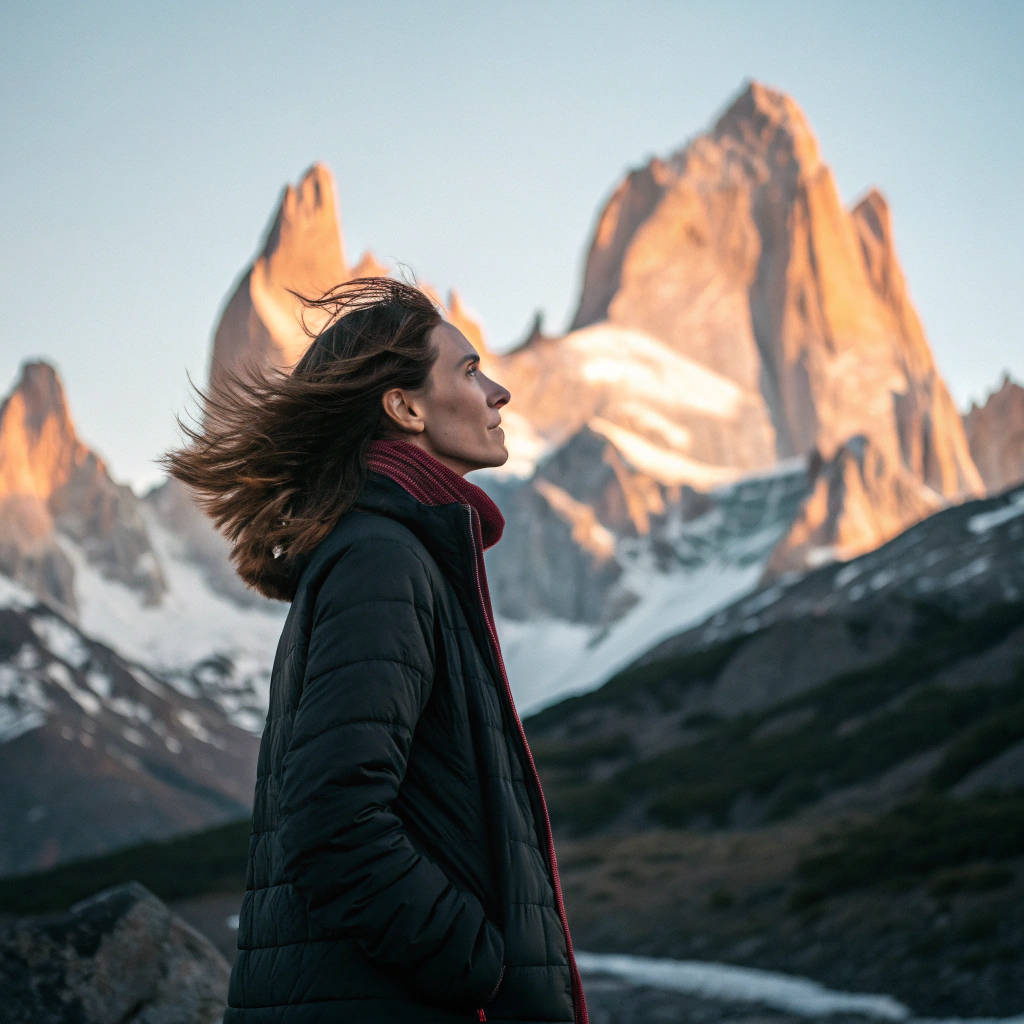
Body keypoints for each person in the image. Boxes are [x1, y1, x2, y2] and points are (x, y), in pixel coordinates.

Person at [163, 277, 588, 1024]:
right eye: (469, 371)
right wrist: (477, 967)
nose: (498, 393)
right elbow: (333, 821)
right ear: (405, 408)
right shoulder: (382, 558)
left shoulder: (391, 548)